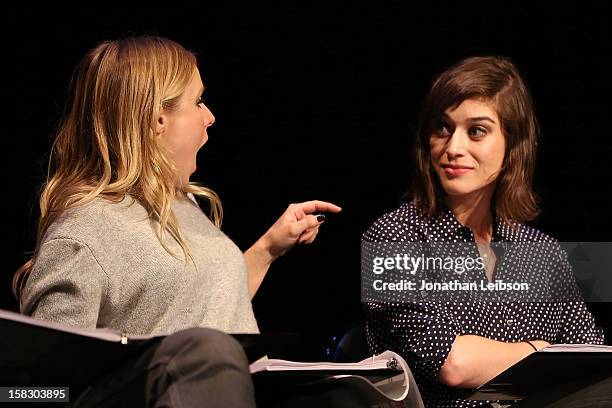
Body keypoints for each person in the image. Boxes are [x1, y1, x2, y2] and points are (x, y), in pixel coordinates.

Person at [12, 35, 341, 407]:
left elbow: (200, 306)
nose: (210, 116)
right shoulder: (83, 233)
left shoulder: (183, 206)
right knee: (207, 354)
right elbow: (36, 390)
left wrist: (266, 250)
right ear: (158, 119)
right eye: (198, 101)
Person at [362, 56, 604, 407]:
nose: (452, 148)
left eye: (476, 131)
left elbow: (591, 359)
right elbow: (452, 362)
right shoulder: (395, 237)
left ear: (512, 147)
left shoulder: (543, 251)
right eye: (442, 128)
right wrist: (540, 352)